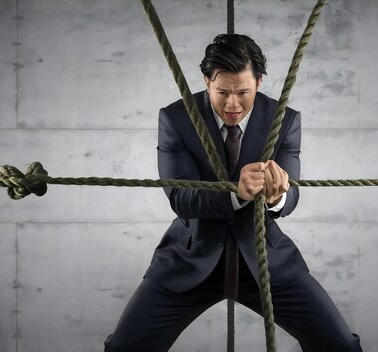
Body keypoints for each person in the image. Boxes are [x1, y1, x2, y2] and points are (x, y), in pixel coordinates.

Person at [104, 34, 362, 352]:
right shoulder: (177, 118)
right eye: (222, 92)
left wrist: (275, 195)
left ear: (259, 81)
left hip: (265, 261)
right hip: (188, 260)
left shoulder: (284, 120)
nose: (232, 105)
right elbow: (180, 198)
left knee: (341, 346)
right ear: (206, 81)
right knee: (123, 349)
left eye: (243, 92)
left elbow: (290, 198)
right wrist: (237, 193)